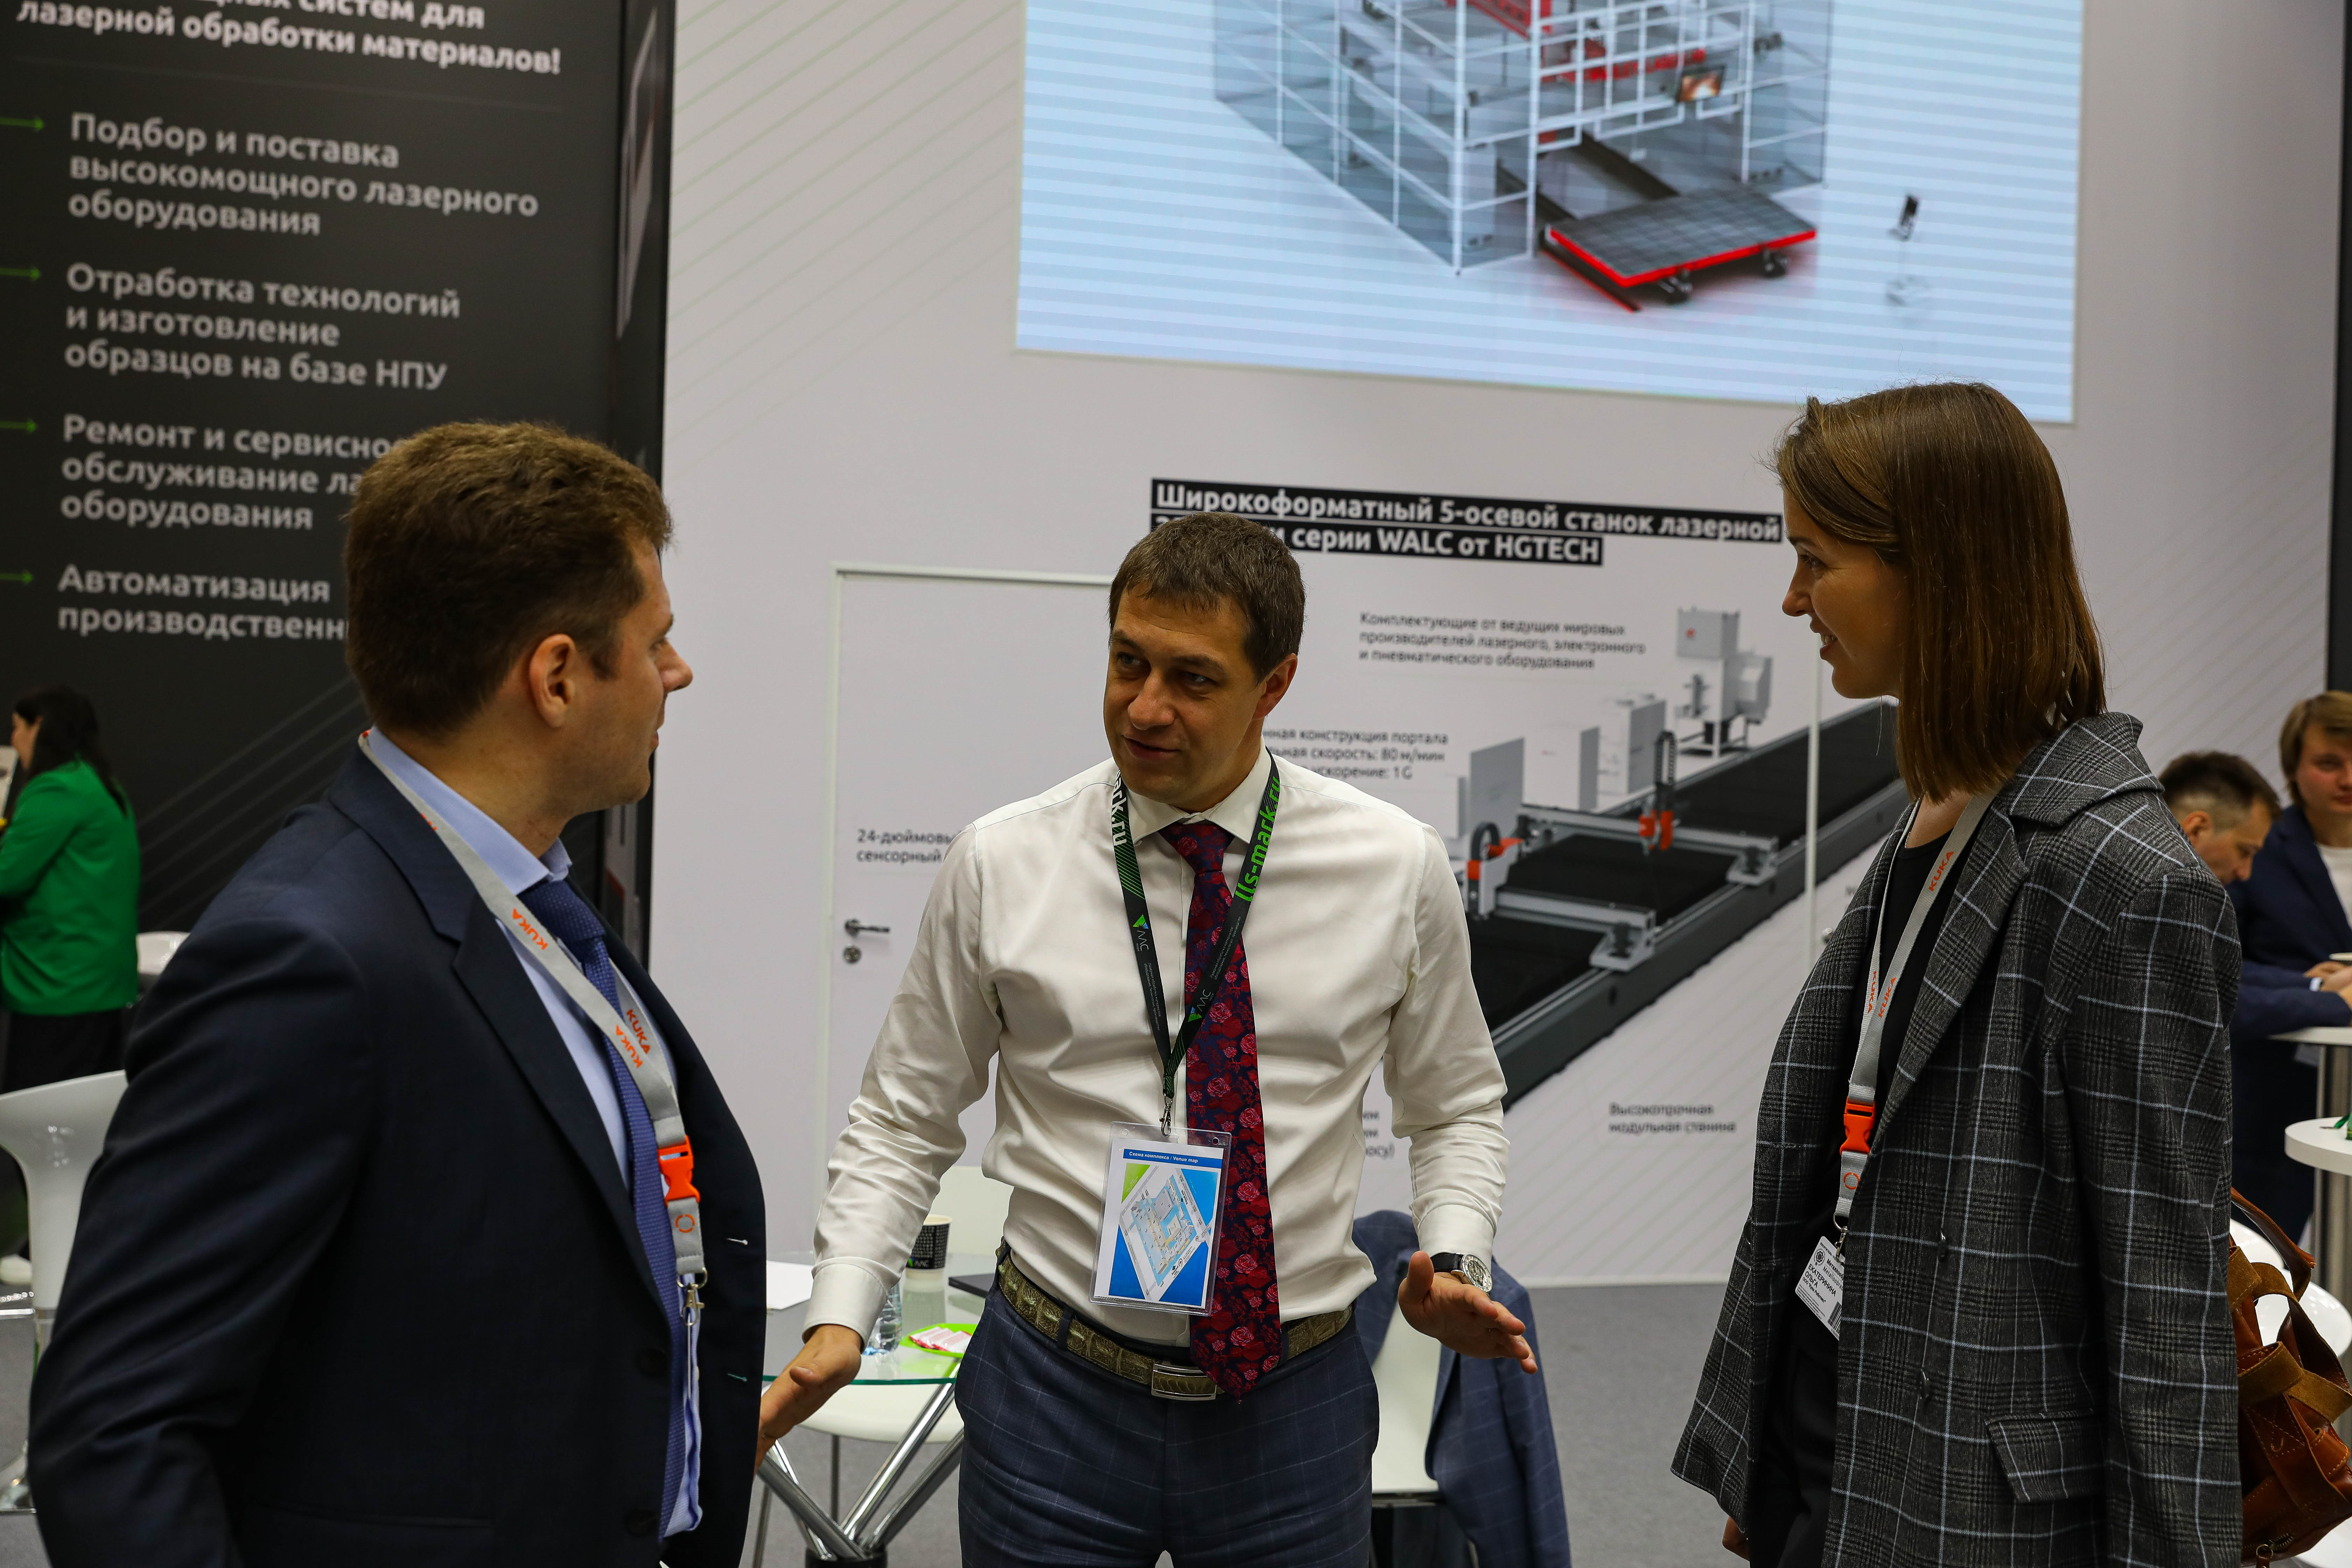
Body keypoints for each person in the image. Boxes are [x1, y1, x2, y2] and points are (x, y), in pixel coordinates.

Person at [28, 424, 766, 1567]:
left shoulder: (522, 900)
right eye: (655, 640)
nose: (678, 673)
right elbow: (118, 1432)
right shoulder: (302, 958)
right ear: (558, 677)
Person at [761, 511, 1527, 1566]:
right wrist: (841, 1314)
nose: (1145, 706)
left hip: (1288, 1400)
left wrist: (1454, 1255)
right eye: (1128, 661)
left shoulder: (1394, 867)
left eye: (1193, 678)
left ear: (1274, 684)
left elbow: (1454, 1103)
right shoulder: (1004, 861)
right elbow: (904, 1113)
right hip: (1054, 1390)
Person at [1674, 384, 2237, 1568]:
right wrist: (1774, 1442)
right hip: (1844, 1437)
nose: (1792, 599)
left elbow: (2164, 1307)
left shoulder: (2122, 878)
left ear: (1935, 569)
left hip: (1976, 1510)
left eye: (1816, 561)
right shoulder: (1943, 811)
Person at [0, 685, 139, 1090]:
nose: (13, 740)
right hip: (97, 983)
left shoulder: (57, 789)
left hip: (61, 986)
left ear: (40, 726)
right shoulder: (97, 782)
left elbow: (6, 876)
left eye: (17, 727)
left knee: (38, 1116)